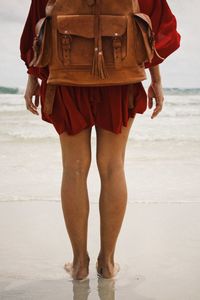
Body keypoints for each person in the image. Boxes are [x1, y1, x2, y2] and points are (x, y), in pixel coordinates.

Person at [20, 0, 180, 280]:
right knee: (112, 167)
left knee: (74, 168)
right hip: (121, 77)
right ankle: (107, 263)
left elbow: (37, 25)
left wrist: (33, 76)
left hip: (67, 78)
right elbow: (154, 25)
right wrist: (156, 79)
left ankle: (79, 264)